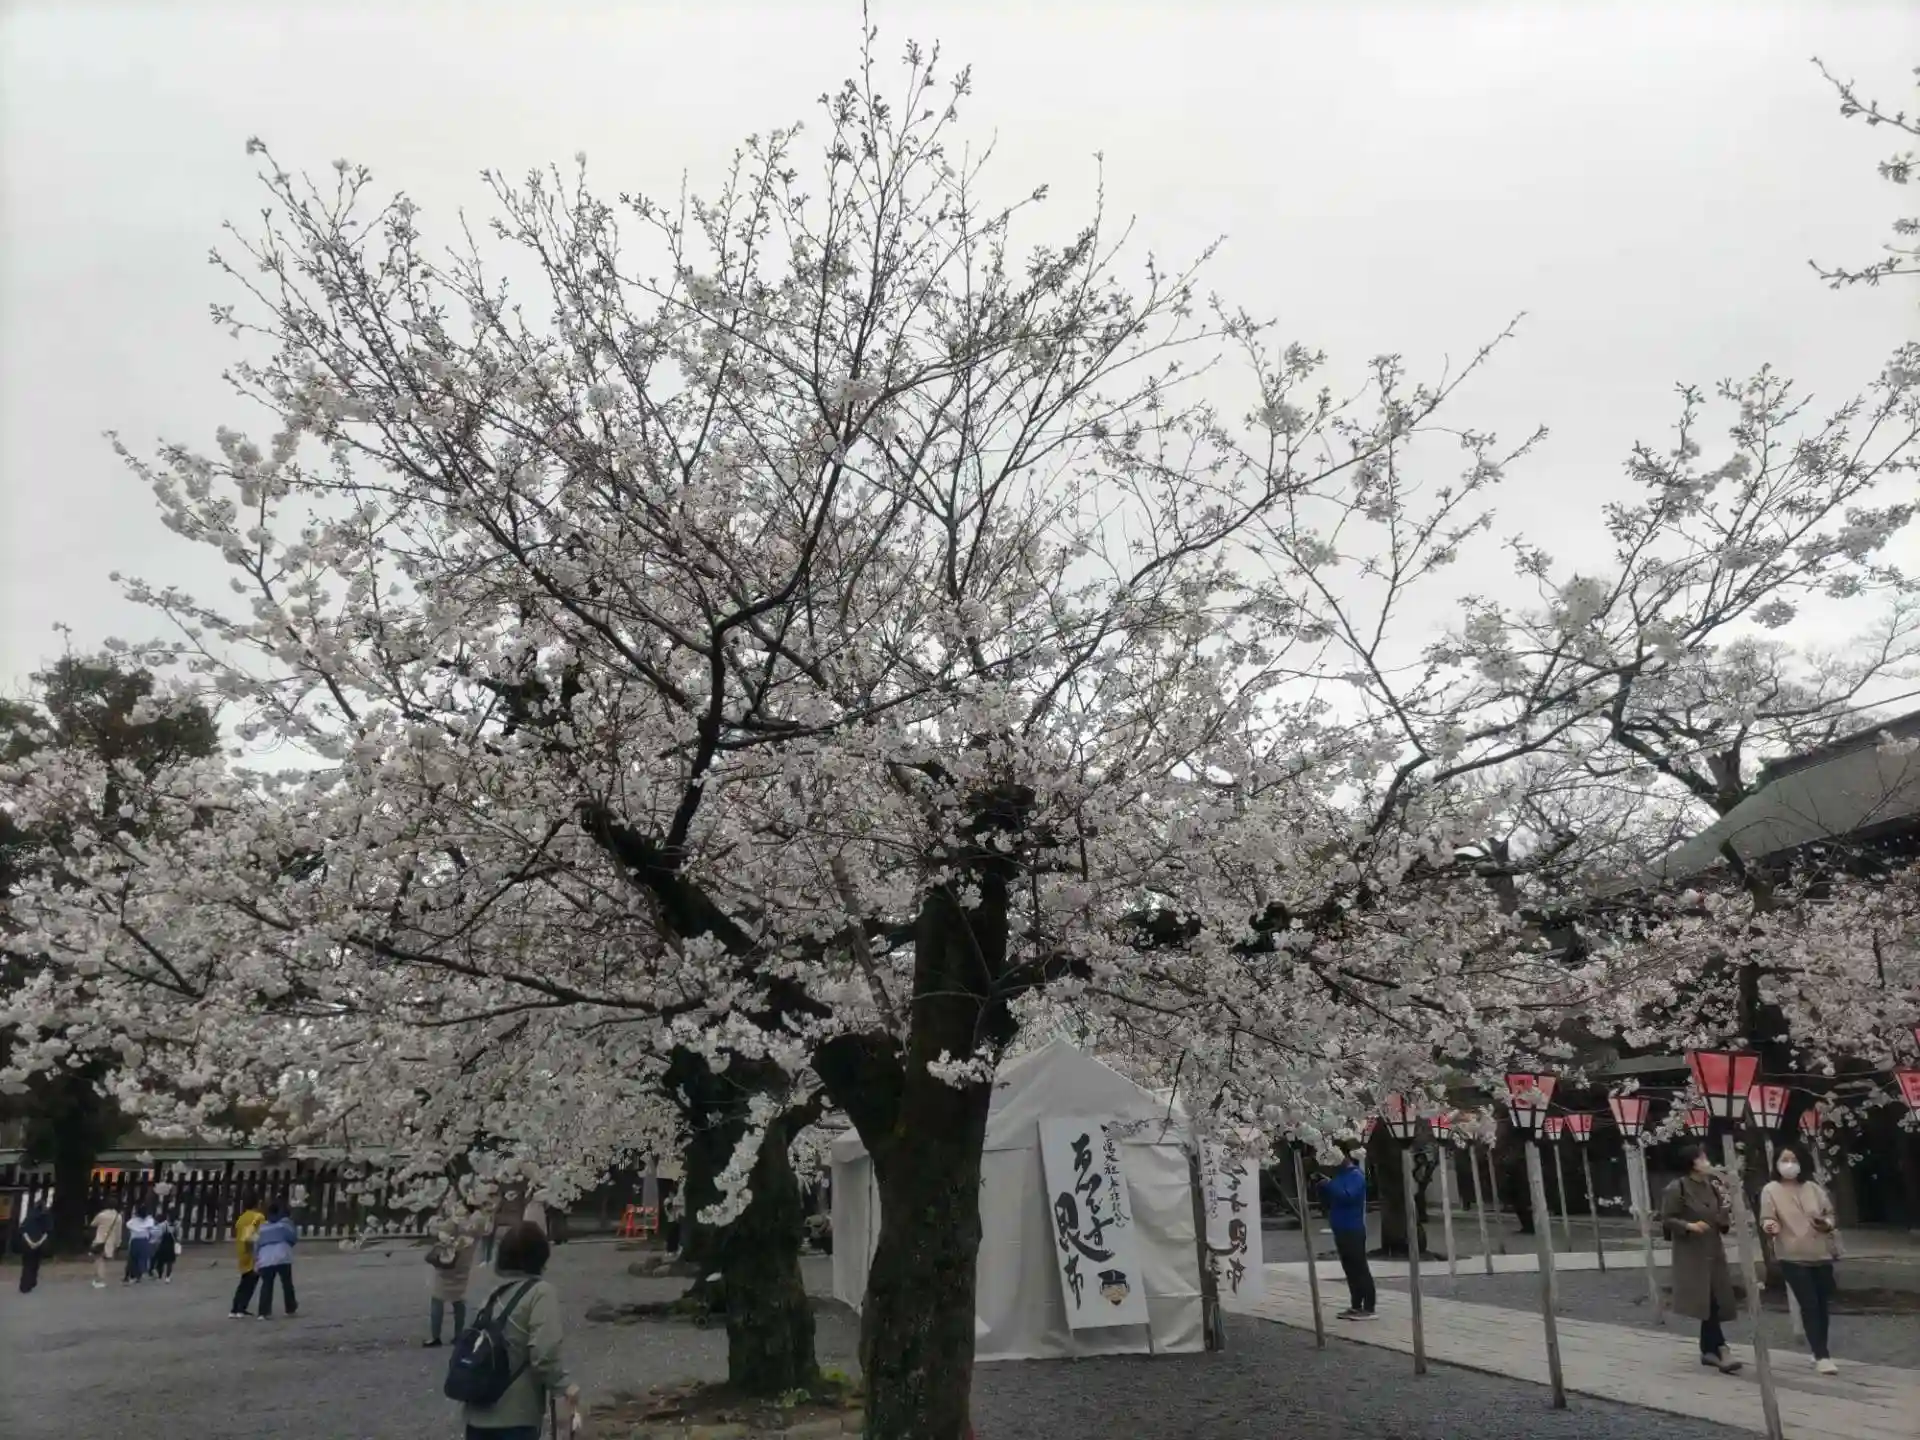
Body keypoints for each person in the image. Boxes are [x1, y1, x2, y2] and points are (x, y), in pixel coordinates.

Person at [461, 1221, 579, 1440]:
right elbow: (543, 1354)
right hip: (515, 1415)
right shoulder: (540, 1293)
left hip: (477, 1413)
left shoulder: (492, 1296)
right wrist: (564, 1386)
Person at [1661, 1143, 1743, 1374]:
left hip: (1713, 1250)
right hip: (1692, 1253)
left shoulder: (1712, 1186)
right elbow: (1667, 1219)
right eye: (1702, 1158)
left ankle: (1709, 1351)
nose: (1707, 1162)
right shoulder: (1677, 1188)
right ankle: (1721, 1348)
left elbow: (1720, 1217)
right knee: (1707, 1300)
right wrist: (1689, 1226)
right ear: (1692, 1163)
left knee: (1715, 1299)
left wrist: (1725, 1214)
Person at [1761, 1146, 1842, 1375]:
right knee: (1809, 1303)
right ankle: (1822, 1355)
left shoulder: (1813, 1188)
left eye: (1793, 1159)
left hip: (1820, 1253)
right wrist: (1770, 1226)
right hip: (1792, 1255)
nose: (1789, 1164)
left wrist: (1826, 1224)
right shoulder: (1771, 1190)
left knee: (1822, 1304)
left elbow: (1830, 1214)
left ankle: (1819, 1349)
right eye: (1784, 1159)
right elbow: (1767, 1217)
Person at [1318, 1140, 1376, 1321]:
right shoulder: (1340, 1175)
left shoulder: (1355, 1176)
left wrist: (1329, 1185)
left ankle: (1369, 1306)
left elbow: (1347, 1196)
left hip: (1353, 1228)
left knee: (1359, 1267)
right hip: (1340, 1228)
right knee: (1349, 1269)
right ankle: (1356, 1304)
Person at [425, 1219, 480, 1348]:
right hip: (461, 1273)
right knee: (459, 1301)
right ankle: (458, 1335)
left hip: (443, 1275)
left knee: (437, 1300)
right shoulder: (468, 1241)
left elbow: (436, 1258)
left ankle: (435, 1337)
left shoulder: (447, 1241)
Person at [253, 1200, 299, 1317]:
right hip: (283, 1256)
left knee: (267, 1284)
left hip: (266, 1258)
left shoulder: (261, 1228)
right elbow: (293, 1238)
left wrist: (256, 1259)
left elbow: (256, 1244)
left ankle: (263, 1312)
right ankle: (290, 1308)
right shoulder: (284, 1226)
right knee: (287, 1283)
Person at [230, 1192, 266, 1317]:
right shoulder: (258, 1217)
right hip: (252, 1251)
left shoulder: (242, 1218)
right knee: (251, 1282)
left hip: (242, 1251)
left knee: (244, 1281)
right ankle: (241, 1308)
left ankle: (235, 1308)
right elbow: (257, 1234)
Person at [16, 1205, 52, 1293]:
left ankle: (24, 1286)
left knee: (27, 1265)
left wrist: (30, 1242)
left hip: (27, 1245)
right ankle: (32, 1281)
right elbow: (46, 1233)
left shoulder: (29, 1217)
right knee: (35, 1265)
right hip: (39, 1245)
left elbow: (23, 1231)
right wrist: (38, 1243)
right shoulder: (45, 1218)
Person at [89, 1203, 125, 1289]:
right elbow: (119, 1232)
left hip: (99, 1240)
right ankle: (99, 1279)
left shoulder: (101, 1215)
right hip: (110, 1242)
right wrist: (118, 1243)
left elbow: (93, 1224)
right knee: (102, 1261)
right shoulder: (118, 1217)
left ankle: (100, 1280)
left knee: (99, 1261)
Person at [124, 1203, 158, 1283]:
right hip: (144, 1241)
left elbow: (128, 1225)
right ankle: (141, 1274)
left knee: (133, 1259)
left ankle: (133, 1275)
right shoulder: (150, 1221)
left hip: (135, 1241)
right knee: (143, 1258)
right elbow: (153, 1231)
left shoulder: (133, 1221)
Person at [150, 1209, 179, 1282]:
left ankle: (160, 1274)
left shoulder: (163, 1224)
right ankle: (168, 1276)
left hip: (163, 1244)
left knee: (161, 1261)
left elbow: (159, 1235)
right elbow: (177, 1235)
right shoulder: (176, 1225)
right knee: (170, 1262)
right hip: (171, 1245)